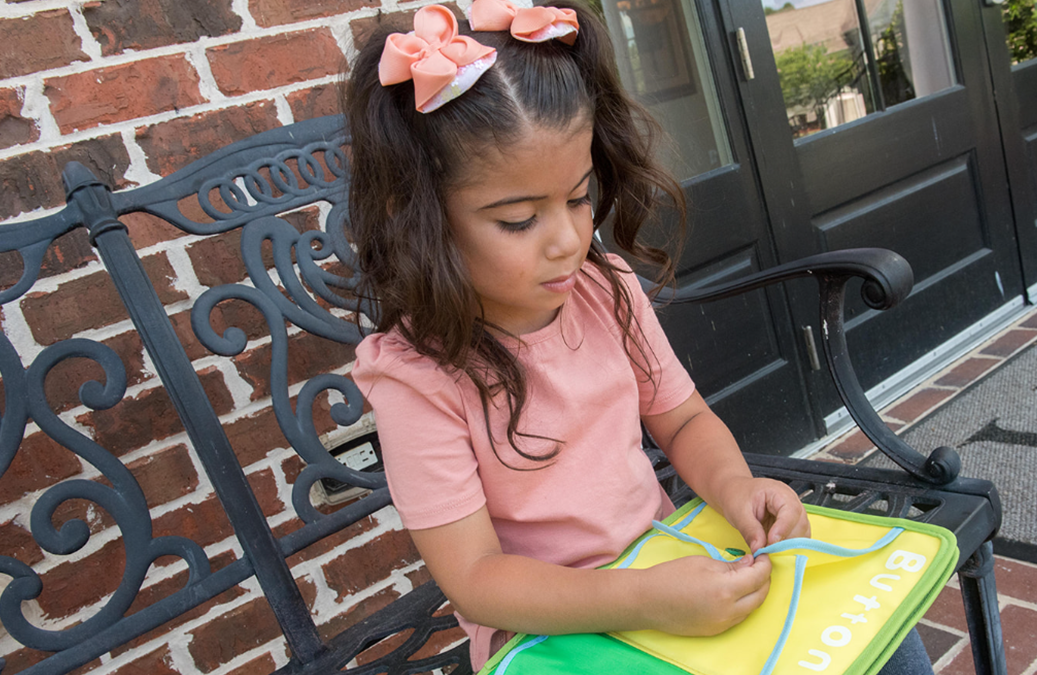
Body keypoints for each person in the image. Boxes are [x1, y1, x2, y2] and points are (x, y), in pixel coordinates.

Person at [345, 1, 934, 672]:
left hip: (663, 561)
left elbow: (682, 419)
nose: (568, 240)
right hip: (549, 632)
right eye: (516, 220)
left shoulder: (607, 289)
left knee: (877, 636)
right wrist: (643, 597)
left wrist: (738, 488)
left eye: (577, 196)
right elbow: (477, 577)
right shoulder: (416, 379)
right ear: (419, 216)